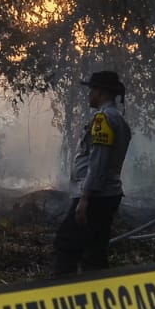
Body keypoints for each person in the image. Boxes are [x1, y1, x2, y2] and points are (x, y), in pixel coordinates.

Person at [52, 70, 130, 276]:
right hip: (107, 194)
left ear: (102, 92)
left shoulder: (103, 119)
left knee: (66, 243)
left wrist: (84, 200)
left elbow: (98, 161)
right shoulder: (119, 120)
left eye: (92, 90)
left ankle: (62, 292)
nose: (89, 95)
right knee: (95, 248)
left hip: (96, 195)